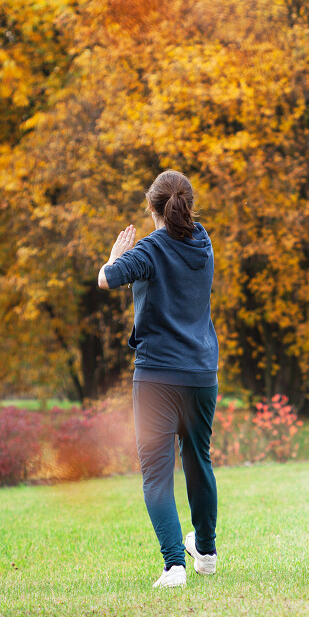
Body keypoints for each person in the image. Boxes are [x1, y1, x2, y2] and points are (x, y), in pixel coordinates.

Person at [98, 170, 219, 588]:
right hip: (202, 373)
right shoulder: (204, 245)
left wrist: (115, 256)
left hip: (157, 377)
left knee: (155, 471)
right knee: (198, 459)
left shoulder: (149, 249)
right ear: (187, 206)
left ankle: (174, 566)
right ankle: (204, 552)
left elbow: (106, 279)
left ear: (153, 209)